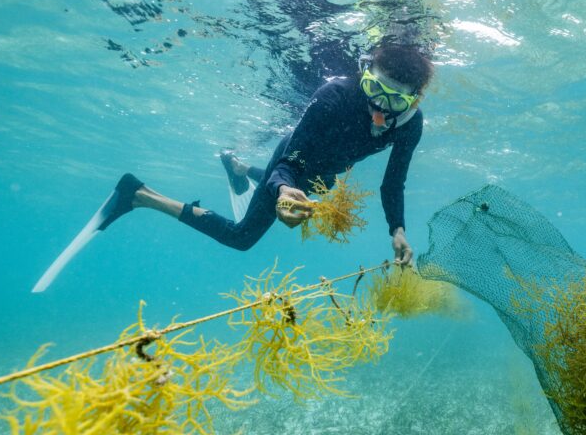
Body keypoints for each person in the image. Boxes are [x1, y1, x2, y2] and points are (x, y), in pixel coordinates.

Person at [32, 42, 434, 292]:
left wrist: (396, 230)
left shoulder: (410, 126)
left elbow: (393, 182)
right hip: (292, 163)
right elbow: (291, 161)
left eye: (395, 101)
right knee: (242, 239)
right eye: (374, 88)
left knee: (325, 192)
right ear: (364, 76)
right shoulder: (333, 96)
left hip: (325, 173)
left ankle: (242, 171)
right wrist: (280, 188)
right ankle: (139, 194)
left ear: (414, 102)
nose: (380, 106)